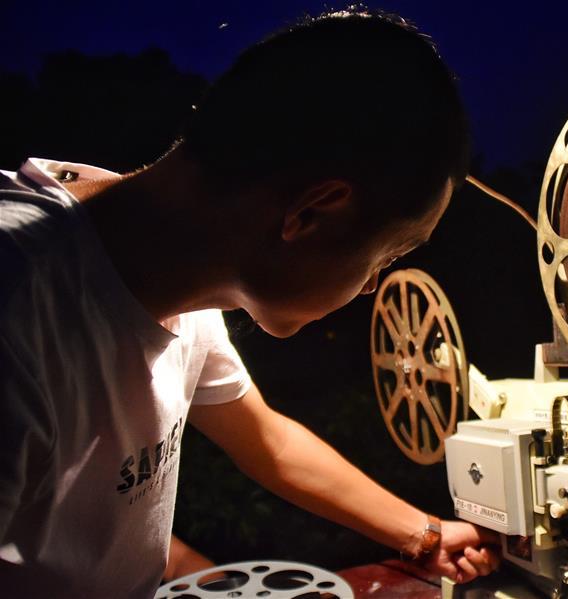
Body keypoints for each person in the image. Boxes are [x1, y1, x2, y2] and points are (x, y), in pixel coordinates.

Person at [0, 9, 500, 597]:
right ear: (311, 212)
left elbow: (268, 442)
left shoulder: (175, 274)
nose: (372, 287)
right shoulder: (20, 307)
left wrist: (428, 535)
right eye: (387, 255)